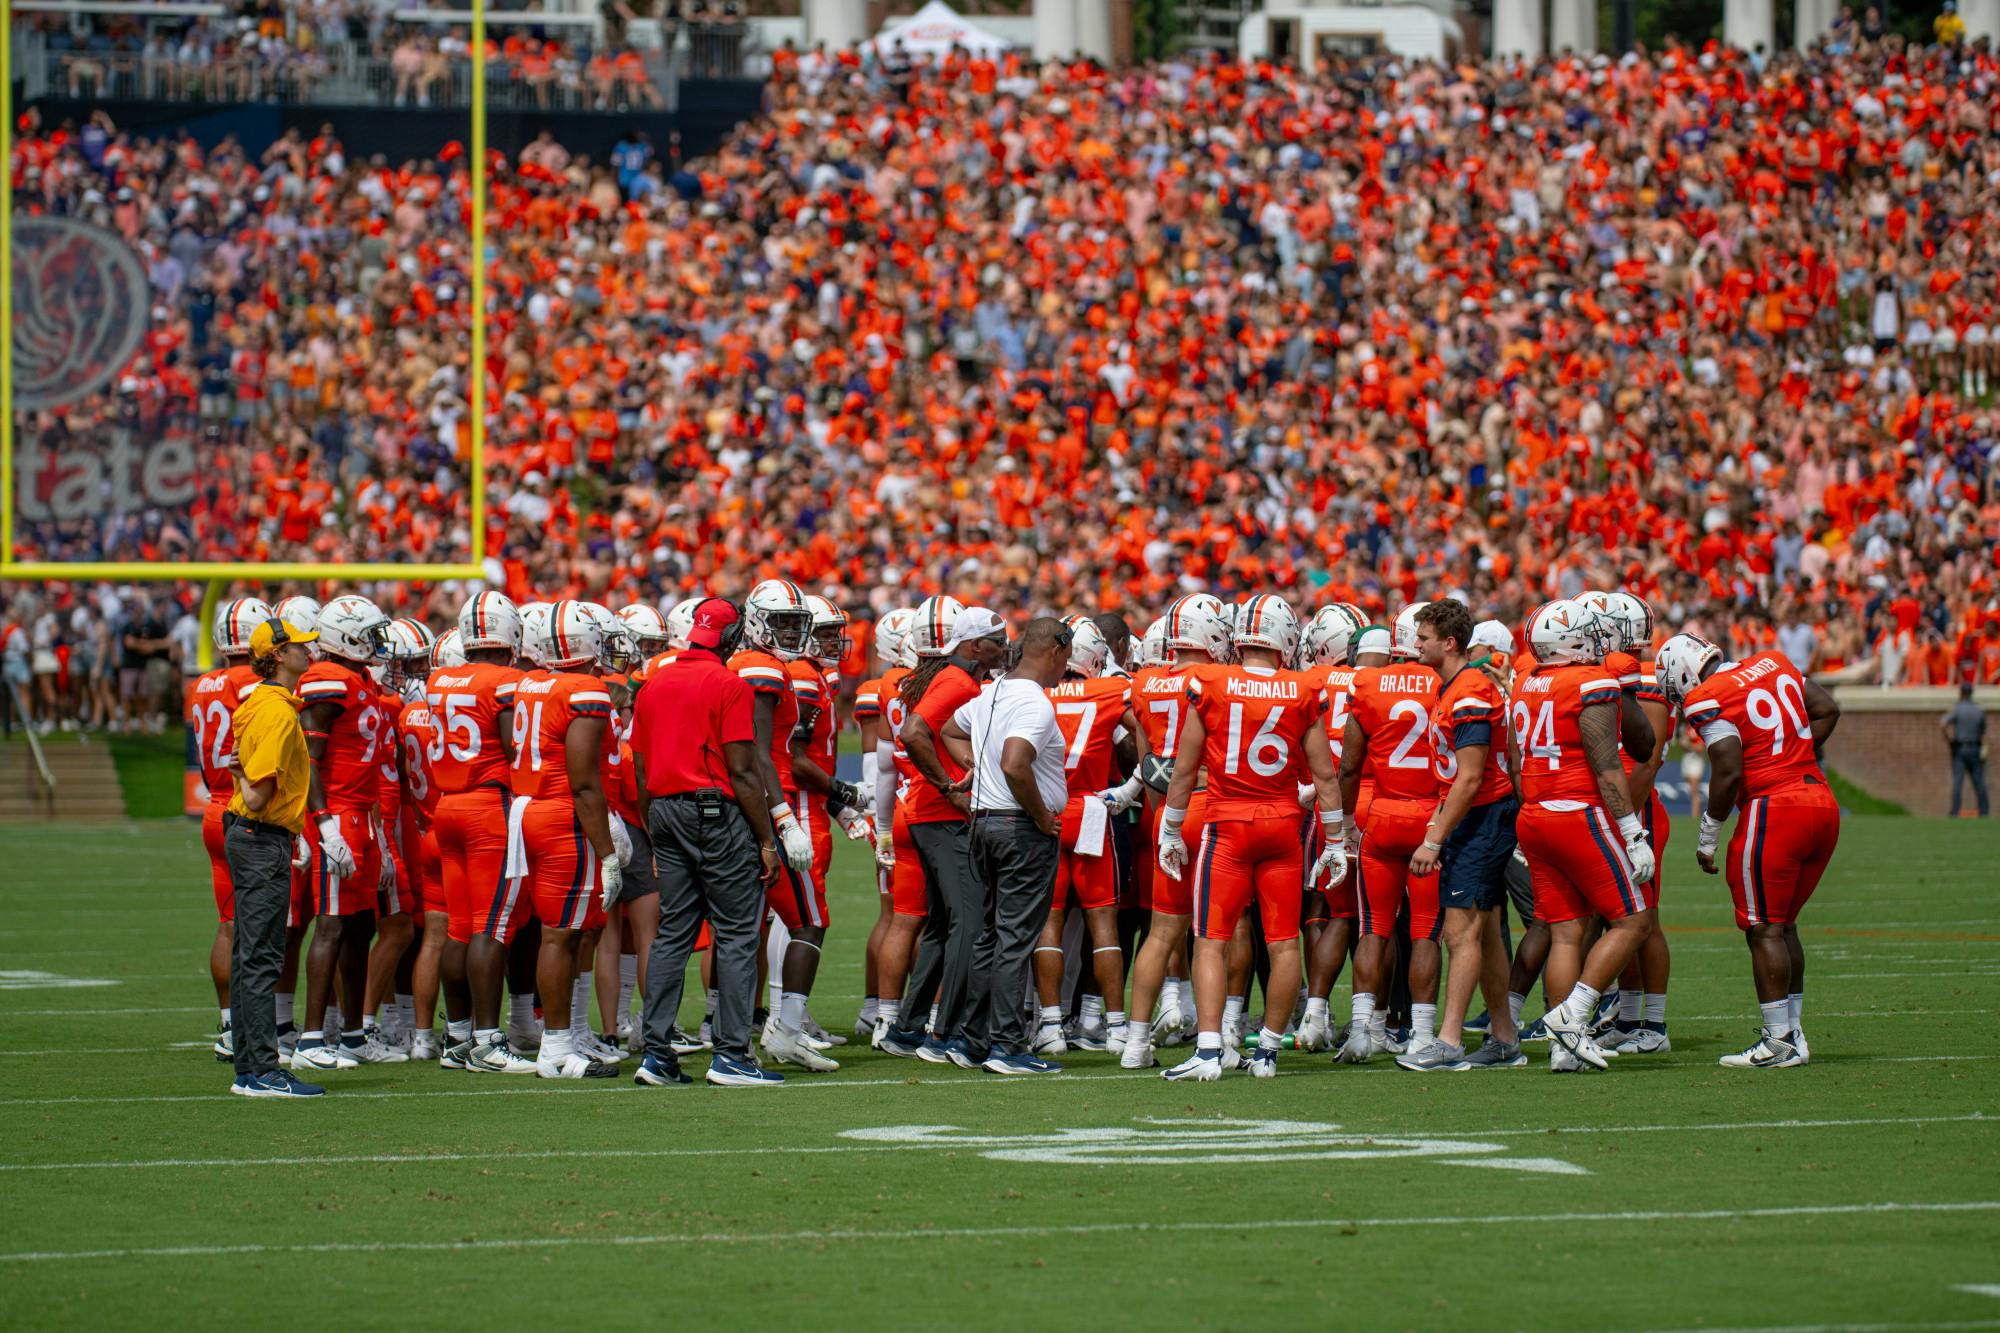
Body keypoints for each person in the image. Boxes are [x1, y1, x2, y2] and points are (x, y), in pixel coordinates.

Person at [1156, 595, 1347, 1082]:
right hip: (1283, 825)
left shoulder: (1212, 683)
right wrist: (1335, 841)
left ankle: (1209, 1049)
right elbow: (1326, 777)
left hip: (1228, 826)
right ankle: (1266, 1052)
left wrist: (1172, 828)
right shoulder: (1301, 689)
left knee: (1211, 941)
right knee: (1283, 944)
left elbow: (1184, 770)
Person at [1666, 631, 1842, 1068]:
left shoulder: (1709, 696)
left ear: (1684, 676)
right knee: (1783, 925)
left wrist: (1708, 835)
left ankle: (1778, 1040)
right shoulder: (1773, 663)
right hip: (1820, 799)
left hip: (1776, 807)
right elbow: (1828, 709)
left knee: (1763, 927)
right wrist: (1795, 751)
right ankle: (1793, 1034)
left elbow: (1726, 770)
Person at [631, 597, 784, 1088]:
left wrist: (653, 830)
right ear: (731, 637)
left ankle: (656, 1053)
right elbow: (742, 769)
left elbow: (638, 764)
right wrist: (766, 838)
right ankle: (733, 1054)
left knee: (674, 932)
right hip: (713, 811)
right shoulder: (728, 683)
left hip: (663, 809)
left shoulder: (654, 682)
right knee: (738, 933)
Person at [1507, 601, 1661, 1073]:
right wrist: (1633, 832)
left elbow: (1515, 761)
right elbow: (1609, 763)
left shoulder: (1524, 683)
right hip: (1578, 813)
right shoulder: (1587, 682)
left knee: (1566, 933)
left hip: (1534, 813)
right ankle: (1571, 1019)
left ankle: (1560, 1050)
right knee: (1634, 920)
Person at [939, 615, 1074, 1074]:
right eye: (1066, 658)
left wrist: (977, 768)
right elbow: (1017, 764)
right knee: (1014, 939)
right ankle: (1008, 1046)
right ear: (1055, 651)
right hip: (1019, 829)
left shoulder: (989, 692)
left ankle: (973, 1041)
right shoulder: (1034, 703)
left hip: (982, 824)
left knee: (989, 938)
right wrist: (1041, 816)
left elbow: (949, 731)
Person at [1396, 599, 1526, 1072]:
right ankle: (1505, 1038)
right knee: (1486, 931)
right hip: (1480, 814)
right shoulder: (1454, 685)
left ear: (1448, 643)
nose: (1417, 645)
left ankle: (1449, 1042)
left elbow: (1471, 777)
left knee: (1460, 930)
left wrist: (1434, 837)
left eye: (1424, 637)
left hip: (1483, 815)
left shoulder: (1468, 690)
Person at [511, 601, 625, 1079]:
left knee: (569, 930)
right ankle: (556, 1047)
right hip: (563, 816)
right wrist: (607, 851)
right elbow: (583, 780)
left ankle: (570, 1036)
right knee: (560, 933)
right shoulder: (584, 690)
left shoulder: (531, 682)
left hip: (533, 810)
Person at [877, 597, 991, 1062]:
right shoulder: (955, 680)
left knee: (942, 924)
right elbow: (914, 734)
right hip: (941, 812)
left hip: (917, 809)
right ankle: (944, 1031)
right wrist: (949, 785)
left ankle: (905, 1027)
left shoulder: (908, 679)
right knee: (969, 921)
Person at [291, 595, 398, 1071]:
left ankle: (352, 1035)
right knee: (330, 926)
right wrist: (323, 825)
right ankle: (312, 1039)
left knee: (359, 928)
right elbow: (309, 760)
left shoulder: (357, 681)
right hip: (337, 814)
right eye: (370, 633)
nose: (378, 642)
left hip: (363, 817)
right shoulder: (327, 679)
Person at [427, 591, 533, 1074]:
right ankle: (489, 1042)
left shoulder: (440, 678)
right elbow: (518, 749)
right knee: (491, 928)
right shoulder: (507, 680)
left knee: (459, 929)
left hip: (446, 807)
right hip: (489, 807)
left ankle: (458, 1036)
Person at [224, 616, 325, 1098]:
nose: (309, 651)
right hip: (260, 834)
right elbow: (259, 793)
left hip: (253, 833)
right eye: (300, 647)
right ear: (279, 655)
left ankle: (249, 1068)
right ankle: (264, 1069)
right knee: (262, 957)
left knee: (249, 957)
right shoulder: (278, 711)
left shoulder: (264, 701)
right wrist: (246, 778)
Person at [1335, 617, 1442, 1063]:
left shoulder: (1367, 684)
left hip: (1381, 814)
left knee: (1373, 929)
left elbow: (1349, 766)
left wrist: (1343, 823)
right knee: (1424, 933)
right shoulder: (1442, 683)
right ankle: (1420, 1034)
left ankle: (1364, 1029)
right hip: (1428, 816)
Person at [188, 595, 274, 1062]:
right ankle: (263, 1026)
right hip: (248, 807)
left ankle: (228, 1025)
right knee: (261, 928)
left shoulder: (203, 684)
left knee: (227, 925)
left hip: (214, 806)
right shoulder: (253, 683)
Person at [1941, 684, 1989, 817]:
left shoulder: (1957, 709)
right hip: (1975, 747)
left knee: (1958, 782)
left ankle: (1955, 811)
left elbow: (1943, 723)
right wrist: (1984, 748)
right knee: (1979, 782)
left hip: (1960, 748)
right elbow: (1983, 732)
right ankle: (1984, 811)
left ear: (1961, 693)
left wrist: (1949, 740)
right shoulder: (1978, 710)